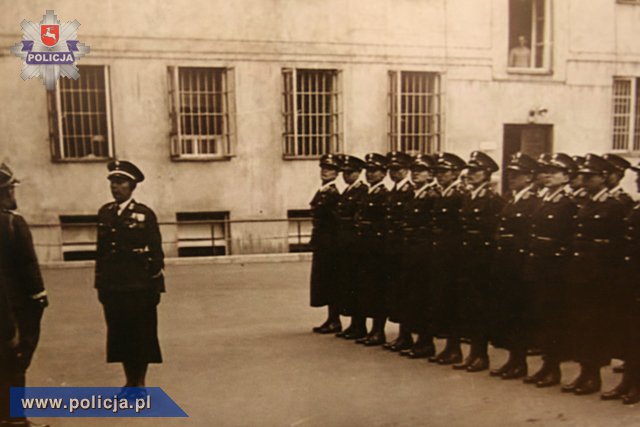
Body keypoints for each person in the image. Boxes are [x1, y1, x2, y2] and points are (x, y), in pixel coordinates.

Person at [95, 160, 165, 393]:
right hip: (114, 287)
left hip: (139, 287)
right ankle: (129, 382)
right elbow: (101, 252)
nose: (115, 187)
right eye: (112, 182)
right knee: (120, 335)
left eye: (120, 182)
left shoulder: (144, 214)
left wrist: (155, 287)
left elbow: (157, 253)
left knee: (141, 335)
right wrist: (100, 285)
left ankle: (140, 384)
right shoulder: (105, 213)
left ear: (132, 186)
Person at [563, 154, 626, 396]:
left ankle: (594, 376)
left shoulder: (614, 206)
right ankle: (585, 372)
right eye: (584, 176)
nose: (585, 180)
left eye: (591, 177)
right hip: (581, 273)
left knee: (596, 326)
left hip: (601, 277)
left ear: (603, 178)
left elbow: (619, 246)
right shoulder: (586, 203)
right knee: (581, 324)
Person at [0, 163, 49, 427]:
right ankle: (16, 420)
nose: (12, 194)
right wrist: (40, 298)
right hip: (15, 307)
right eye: (10, 189)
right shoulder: (13, 223)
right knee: (17, 361)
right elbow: (29, 266)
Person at [522, 153, 577, 388]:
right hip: (540, 266)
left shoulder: (568, 202)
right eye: (547, 171)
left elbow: (569, 239)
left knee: (555, 319)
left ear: (566, 177)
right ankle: (547, 365)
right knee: (542, 317)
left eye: (555, 172)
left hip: (556, 269)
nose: (548, 176)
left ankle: (553, 367)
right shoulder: (544, 198)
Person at [490, 153, 540, 380]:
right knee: (509, 313)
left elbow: (528, 236)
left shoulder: (533, 202)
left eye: (517, 174)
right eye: (510, 174)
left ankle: (520, 362)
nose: (512, 178)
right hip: (507, 264)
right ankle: (514, 360)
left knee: (520, 314)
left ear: (529, 177)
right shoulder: (512, 199)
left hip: (520, 264)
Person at [455, 151, 505, 373]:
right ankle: (473, 353)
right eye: (470, 171)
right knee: (469, 306)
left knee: (481, 307)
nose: (471, 174)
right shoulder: (468, 197)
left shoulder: (493, 200)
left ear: (486, 174)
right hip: (467, 258)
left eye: (476, 171)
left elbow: (494, 233)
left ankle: (481, 355)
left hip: (483, 260)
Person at [604, 160, 640, 404]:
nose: (636, 180)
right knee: (631, 333)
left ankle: (635, 385)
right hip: (631, 278)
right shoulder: (636, 207)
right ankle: (628, 381)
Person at [399, 154, 441, 358]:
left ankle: (426, 341)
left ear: (430, 174)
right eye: (414, 170)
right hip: (412, 252)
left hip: (424, 253)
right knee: (412, 296)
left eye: (421, 170)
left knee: (424, 297)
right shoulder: (414, 194)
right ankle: (414, 338)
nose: (416, 174)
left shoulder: (432, 196)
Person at [428, 153, 467, 365]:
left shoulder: (460, 194)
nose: (440, 175)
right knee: (443, 300)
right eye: (438, 172)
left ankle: (455, 348)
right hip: (441, 253)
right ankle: (449, 347)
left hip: (454, 255)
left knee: (454, 302)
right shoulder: (441, 193)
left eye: (444, 172)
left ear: (455, 173)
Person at [354, 153, 389, 346]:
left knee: (378, 290)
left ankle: (378, 330)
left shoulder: (383, 194)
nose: (370, 174)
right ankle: (368, 329)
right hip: (365, 247)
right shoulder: (369, 192)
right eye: (368, 171)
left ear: (383, 174)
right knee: (366, 288)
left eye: (374, 171)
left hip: (377, 248)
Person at [382, 152, 415, 352]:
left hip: (404, 248)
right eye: (391, 169)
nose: (394, 173)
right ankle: (403, 335)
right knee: (397, 292)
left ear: (406, 171)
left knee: (406, 292)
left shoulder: (409, 192)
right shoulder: (392, 192)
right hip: (392, 248)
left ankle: (407, 334)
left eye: (398, 169)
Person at [334, 155, 369, 340]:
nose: (346, 176)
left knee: (357, 285)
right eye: (344, 173)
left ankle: (360, 325)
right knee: (349, 285)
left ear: (358, 173)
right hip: (346, 244)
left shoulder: (362, 191)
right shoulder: (348, 191)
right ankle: (355, 324)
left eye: (350, 173)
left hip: (355, 244)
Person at [309, 154, 342, 334]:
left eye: (330, 169)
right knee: (325, 281)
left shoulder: (332, 193)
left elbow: (334, 221)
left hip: (330, 243)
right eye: (323, 168)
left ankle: (334, 319)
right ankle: (331, 318)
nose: (325, 172)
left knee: (331, 280)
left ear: (337, 173)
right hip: (322, 242)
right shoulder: (323, 191)